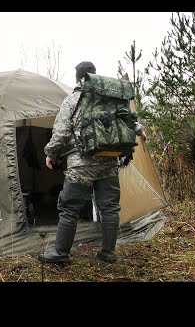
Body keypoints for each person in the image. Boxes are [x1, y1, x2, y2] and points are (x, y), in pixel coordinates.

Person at [38, 61, 147, 264]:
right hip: (109, 160)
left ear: (78, 77)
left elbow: (61, 132)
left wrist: (51, 153)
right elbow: (128, 120)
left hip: (81, 164)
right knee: (110, 208)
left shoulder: (72, 100)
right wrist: (140, 130)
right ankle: (108, 254)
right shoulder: (110, 98)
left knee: (70, 207)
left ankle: (61, 254)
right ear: (94, 75)